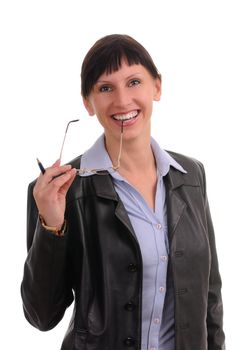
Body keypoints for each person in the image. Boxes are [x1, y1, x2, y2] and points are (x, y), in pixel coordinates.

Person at [21, 34, 225, 350]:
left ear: (157, 87)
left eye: (133, 82)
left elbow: (210, 294)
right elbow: (42, 316)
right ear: (88, 102)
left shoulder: (191, 175)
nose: (122, 101)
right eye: (105, 88)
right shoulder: (62, 191)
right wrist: (51, 225)